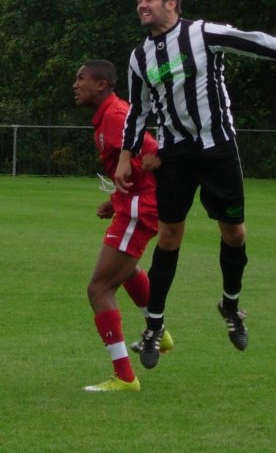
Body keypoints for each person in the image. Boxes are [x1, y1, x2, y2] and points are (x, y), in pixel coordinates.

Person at [114, 0, 276, 370]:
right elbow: (138, 110)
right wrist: (128, 154)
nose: (142, 4)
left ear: (172, 3)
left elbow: (261, 43)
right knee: (169, 236)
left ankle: (230, 305)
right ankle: (153, 324)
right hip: (174, 154)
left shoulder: (204, 34)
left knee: (235, 233)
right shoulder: (139, 57)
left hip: (217, 150)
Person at [73, 59, 173, 392]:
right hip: (131, 205)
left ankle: (125, 377)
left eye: (82, 78)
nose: (76, 84)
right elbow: (129, 163)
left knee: (99, 290)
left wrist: (138, 184)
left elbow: (155, 155)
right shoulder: (108, 116)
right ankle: (158, 331)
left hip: (139, 208)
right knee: (126, 270)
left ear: (102, 85)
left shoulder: (115, 116)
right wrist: (115, 198)